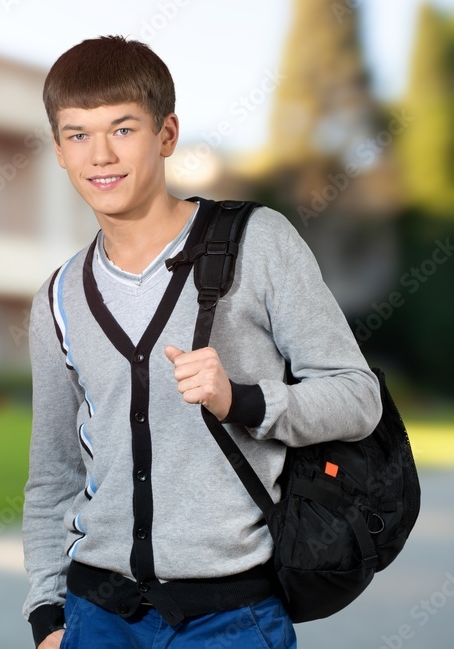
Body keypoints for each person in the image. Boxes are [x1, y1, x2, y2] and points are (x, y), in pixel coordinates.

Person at [21, 35, 382, 649]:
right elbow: (52, 472)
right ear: (58, 150)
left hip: (231, 618)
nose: (100, 155)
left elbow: (357, 396)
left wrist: (243, 400)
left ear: (166, 134)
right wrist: (47, 614)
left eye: (123, 129)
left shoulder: (258, 242)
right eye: (78, 134)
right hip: (94, 615)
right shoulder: (57, 298)